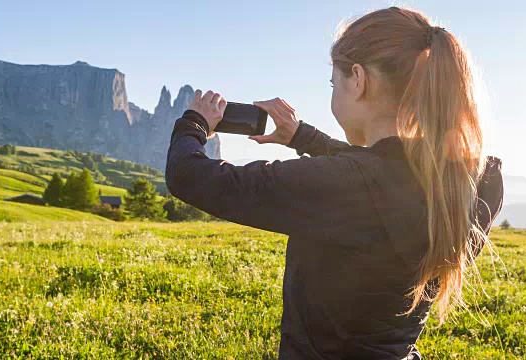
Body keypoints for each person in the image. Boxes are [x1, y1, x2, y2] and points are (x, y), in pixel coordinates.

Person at [165, 6, 503, 360]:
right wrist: (302, 137)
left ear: (358, 79)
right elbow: (384, 170)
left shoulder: (344, 186)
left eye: (334, 83)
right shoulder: (479, 181)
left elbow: (189, 176)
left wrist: (195, 122)